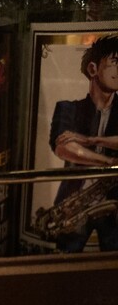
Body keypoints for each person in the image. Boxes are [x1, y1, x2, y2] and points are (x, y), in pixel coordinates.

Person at [49, 34, 118, 252]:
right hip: (74, 206)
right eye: (115, 62)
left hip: (113, 206)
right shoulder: (68, 108)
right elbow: (63, 148)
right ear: (93, 69)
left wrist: (91, 140)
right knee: (65, 260)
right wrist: (109, 163)